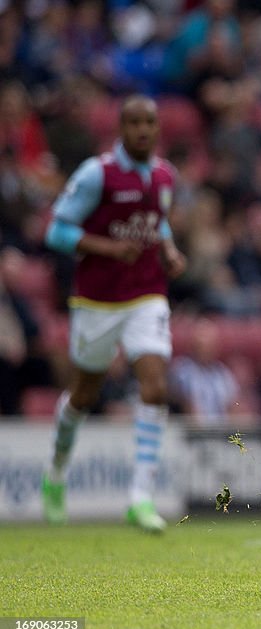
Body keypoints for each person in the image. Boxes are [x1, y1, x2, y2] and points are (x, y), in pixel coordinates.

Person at [40, 95, 188, 532]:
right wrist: (107, 248)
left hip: (146, 294)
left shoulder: (165, 175)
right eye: (134, 123)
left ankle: (140, 497)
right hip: (97, 301)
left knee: (155, 386)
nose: (143, 130)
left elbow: (156, 222)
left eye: (150, 123)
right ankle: (55, 473)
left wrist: (169, 249)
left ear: (158, 129)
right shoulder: (96, 173)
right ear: (121, 129)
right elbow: (56, 230)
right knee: (84, 395)